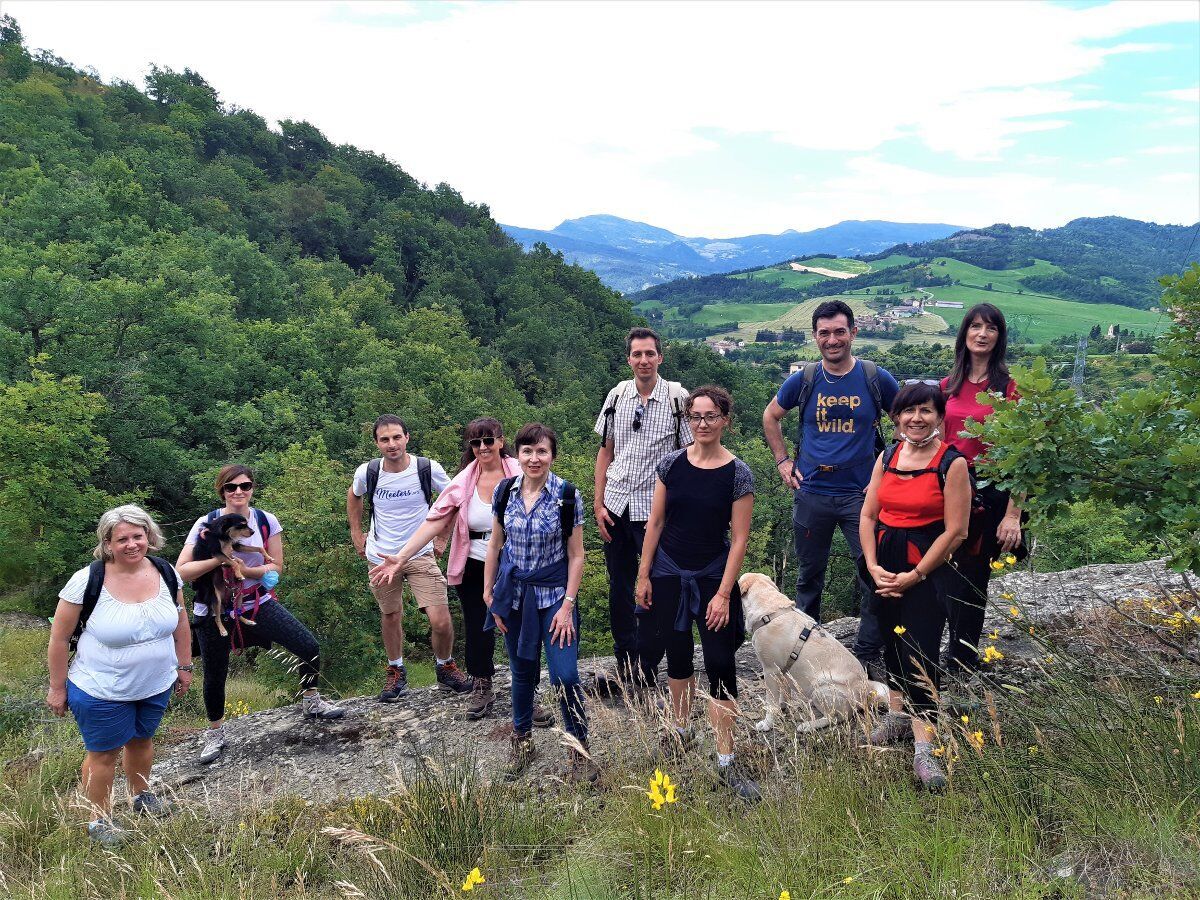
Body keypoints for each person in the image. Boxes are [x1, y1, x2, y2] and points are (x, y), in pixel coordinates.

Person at [370, 418, 551, 726]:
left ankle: (527, 692)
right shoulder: (463, 482)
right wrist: (401, 557)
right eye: (475, 442)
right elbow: (434, 521)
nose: (482, 447)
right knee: (479, 627)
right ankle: (482, 685)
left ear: (500, 441)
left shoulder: (522, 472)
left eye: (488, 441)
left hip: (518, 563)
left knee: (522, 627)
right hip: (474, 564)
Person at [636, 386, 759, 802]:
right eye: (695, 416)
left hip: (711, 574)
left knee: (721, 660)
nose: (701, 424)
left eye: (710, 416)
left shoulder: (738, 473)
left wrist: (724, 594)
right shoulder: (671, 463)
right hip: (668, 569)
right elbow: (654, 523)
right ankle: (681, 729)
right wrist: (643, 575)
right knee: (678, 654)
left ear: (725, 420)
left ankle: (726, 759)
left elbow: (739, 539)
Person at [762, 300, 898, 674]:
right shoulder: (804, 379)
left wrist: (893, 468)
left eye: (840, 331)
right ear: (815, 337)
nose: (833, 339)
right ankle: (807, 651)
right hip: (812, 492)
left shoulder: (874, 377)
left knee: (872, 573)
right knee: (809, 575)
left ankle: (868, 653)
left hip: (861, 496)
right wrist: (782, 461)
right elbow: (771, 416)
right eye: (825, 333)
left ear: (853, 333)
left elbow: (904, 417)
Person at [46, 505, 192, 846]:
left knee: (142, 741)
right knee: (104, 753)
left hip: (155, 683)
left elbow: (181, 622)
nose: (131, 544)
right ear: (107, 543)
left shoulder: (166, 572)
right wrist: (57, 687)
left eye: (138, 536)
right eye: (122, 538)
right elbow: (59, 637)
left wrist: (183, 667)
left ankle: (141, 797)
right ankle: (100, 821)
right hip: (101, 688)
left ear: (149, 537)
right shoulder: (87, 580)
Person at [179, 465, 343, 766]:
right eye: (231, 487)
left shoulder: (266, 521)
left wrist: (245, 570)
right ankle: (215, 732)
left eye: (245, 485)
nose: (239, 491)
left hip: (256, 601)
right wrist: (221, 560)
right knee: (216, 672)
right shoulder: (207, 523)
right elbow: (183, 571)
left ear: (253, 488)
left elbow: (277, 567)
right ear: (222, 491)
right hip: (214, 606)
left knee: (307, 646)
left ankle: (311, 700)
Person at [858, 382, 971, 790]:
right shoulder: (887, 457)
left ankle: (926, 748)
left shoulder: (951, 463)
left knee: (921, 650)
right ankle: (897, 715)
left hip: (927, 566)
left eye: (925, 410)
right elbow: (869, 515)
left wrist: (918, 574)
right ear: (896, 418)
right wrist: (872, 565)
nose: (916, 418)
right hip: (886, 561)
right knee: (889, 640)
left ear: (940, 416)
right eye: (908, 411)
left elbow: (957, 530)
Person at [483, 423, 595, 783]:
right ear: (516, 455)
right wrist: (490, 594)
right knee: (521, 672)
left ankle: (578, 748)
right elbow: (495, 546)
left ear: (552, 456)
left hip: (555, 598)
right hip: (514, 596)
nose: (534, 458)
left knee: (565, 674)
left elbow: (577, 556)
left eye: (541, 451)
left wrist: (567, 605)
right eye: (527, 451)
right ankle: (522, 738)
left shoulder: (566, 495)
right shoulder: (504, 492)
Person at [594, 326, 693, 691]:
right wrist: (597, 501)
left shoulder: (677, 398)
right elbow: (606, 451)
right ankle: (626, 660)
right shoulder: (617, 395)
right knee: (618, 586)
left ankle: (649, 663)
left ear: (660, 357)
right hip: (616, 504)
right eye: (637, 354)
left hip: (655, 510)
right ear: (629, 359)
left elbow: (687, 457)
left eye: (649, 353)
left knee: (657, 584)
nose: (643, 360)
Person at [347, 414, 471, 701]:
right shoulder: (368, 472)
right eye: (384, 439)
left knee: (440, 619)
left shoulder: (426, 468)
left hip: (420, 553)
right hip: (380, 554)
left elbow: (455, 499)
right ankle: (396, 670)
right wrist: (356, 532)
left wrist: (442, 537)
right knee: (390, 614)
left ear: (407, 438)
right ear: (377, 443)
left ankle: (445, 666)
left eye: (396, 437)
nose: (392, 444)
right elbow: (354, 496)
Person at [939, 303, 1023, 675]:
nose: (982, 333)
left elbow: (1024, 454)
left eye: (990, 327)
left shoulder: (1008, 389)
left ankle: (962, 659)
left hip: (990, 491)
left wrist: (1013, 515)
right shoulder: (947, 387)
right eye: (975, 326)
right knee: (942, 569)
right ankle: (934, 647)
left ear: (999, 337)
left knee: (973, 576)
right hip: (949, 488)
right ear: (965, 334)